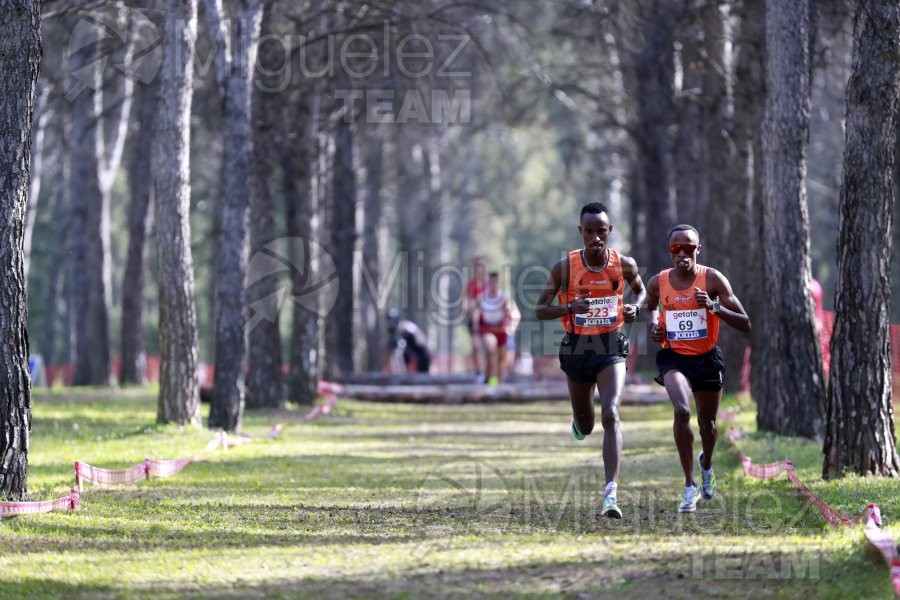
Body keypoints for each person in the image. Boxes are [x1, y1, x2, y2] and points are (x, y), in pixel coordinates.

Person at [535, 202, 645, 519]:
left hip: (611, 344)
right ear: (580, 232)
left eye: (601, 230)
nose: (596, 237)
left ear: (609, 231)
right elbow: (540, 309)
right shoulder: (565, 268)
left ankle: (610, 494)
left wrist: (635, 307)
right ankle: (580, 420)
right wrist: (570, 308)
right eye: (589, 231)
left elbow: (640, 293)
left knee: (611, 412)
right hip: (577, 348)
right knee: (587, 423)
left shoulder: (624, 264)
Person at [646, 225, 751, 513]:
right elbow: (650, 305)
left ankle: (706, 464)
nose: (682, 253)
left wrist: (714, 308)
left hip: (706, 358)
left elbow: (745, 322)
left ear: (698, 250)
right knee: (682, 411)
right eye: (675, 248)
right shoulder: (659, 281)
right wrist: (654, 326)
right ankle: (689, 485)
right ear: (669, 252)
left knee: (708, 425)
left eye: (688, 248)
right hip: (674, 358)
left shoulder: (712, 279)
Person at [472, 271, 512, 385]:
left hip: (500, 329)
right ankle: (489, 377)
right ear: (489, 282)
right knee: (491, 347)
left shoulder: (504, 297)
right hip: (488, 328)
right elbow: (475, 311)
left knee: (501, 359)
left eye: (496, 282)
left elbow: (510, 313)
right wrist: (475, 328)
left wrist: (507, 312)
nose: (494, 284)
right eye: (492, 282)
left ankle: (498, 383)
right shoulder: (482, 297)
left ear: (499, 283)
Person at [385, 309, 432, 374]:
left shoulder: (407, 329)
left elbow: (406, 348)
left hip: (422, 356)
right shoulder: (405, 328)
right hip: (419, 355)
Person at [464, 256, 488, 376]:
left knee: (489, 346)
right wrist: (468, 308)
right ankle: (478, 370)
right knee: (475, 346)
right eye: (477, 266)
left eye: (481, 266)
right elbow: (465, 302)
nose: (479, 269)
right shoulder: (470, 284)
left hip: (487, 320)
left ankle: (488, 370)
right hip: (474, 320)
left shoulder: (488, 284)